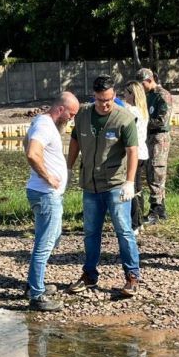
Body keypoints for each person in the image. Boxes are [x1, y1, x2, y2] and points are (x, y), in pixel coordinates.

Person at [67, 75, 141, 297]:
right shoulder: (83, 116)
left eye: (108, 99)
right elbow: (75, 141)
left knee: (124, 231)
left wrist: (130, 182)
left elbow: (132, 151)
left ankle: (132, 276)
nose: (105, 104)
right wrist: (68, 168)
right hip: (90, 185)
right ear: (94, 96)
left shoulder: (124, 119)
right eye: (100, 100)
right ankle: (89, 274)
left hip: (115, 184)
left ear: (114, 95)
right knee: (90, 233)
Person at [24, 91, 80, 311]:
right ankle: (36, 295)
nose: (72, 119)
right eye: (71, 114)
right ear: (60, 109)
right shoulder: (45, 126)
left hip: (46, 194)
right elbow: (31, 152)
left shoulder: (42, 123)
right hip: (46, 194)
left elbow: (25, 143)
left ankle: (34, 284)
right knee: (45, 244)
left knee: (51, 238)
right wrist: (47, 176)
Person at [137, 68, 173, 225]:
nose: (141, 88)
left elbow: (162, 120)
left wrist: (141, 122)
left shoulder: (162, 95)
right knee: (150, 171)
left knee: (156, 170)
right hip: (149, 137)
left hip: (159, 137)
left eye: (142, 84)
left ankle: (157, 208)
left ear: (150, 80)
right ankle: (159, 207)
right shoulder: (148, 96)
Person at [123, 80, 149, 235]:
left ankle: (135, 223)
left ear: (132, 94)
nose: (124, 95)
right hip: (143, 153)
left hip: (134, 154)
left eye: (126, 92)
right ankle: (139, 221)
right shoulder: (142, 110)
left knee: (130, 187)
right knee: (138, 188)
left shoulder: (131, 110)